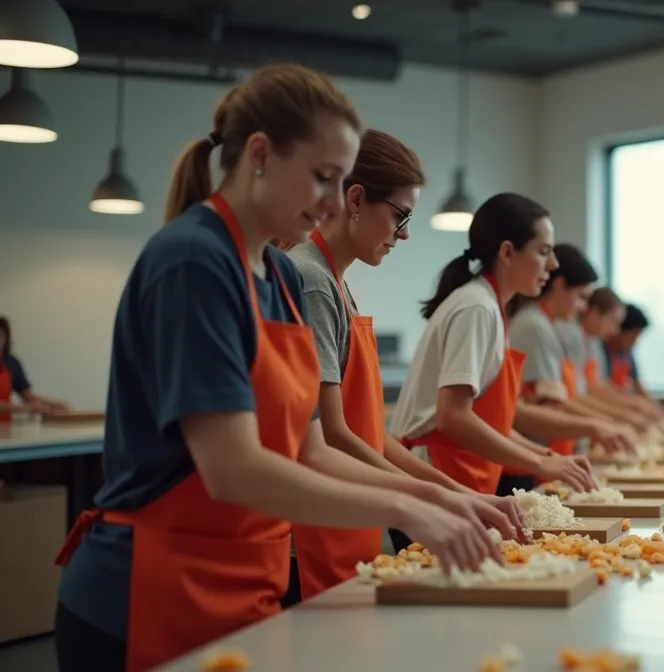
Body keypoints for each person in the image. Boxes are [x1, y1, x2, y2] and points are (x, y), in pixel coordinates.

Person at [51, 65, 505, 672]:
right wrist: (406, 509)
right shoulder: (193, 260)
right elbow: (232, 470)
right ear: (260, 154)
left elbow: (310, 450)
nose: (335, 202)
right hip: (147, 595)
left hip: (244, 584)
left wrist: (437, 498)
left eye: (342, 182)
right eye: (322, 177)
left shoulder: (283, 276)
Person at [282, 130, 528, 603]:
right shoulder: (310, 278)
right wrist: (429, 498)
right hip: (316, 527)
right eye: (401, 216)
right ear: (356, 200)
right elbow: (333, 434)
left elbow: (371, 436)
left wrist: (456, 492)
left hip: (352, 515)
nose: (405, 233)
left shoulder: (335, 282)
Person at [390, 193, 598, 497]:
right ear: (508, 252)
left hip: (460, 477)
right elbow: (452, 416)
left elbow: (493, 423)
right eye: (543, 252)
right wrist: (539, 462)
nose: (553, 264)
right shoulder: (476, 307)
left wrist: (548, 457)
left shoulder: (489, 305)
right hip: (433, 478)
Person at [498, 244, 635, 494]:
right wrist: (599, 424)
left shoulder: (547, 326)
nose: (583, 307)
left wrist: (608, 421)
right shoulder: (533, 326)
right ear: (559, 285)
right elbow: (541, 405)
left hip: (543, 455)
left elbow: (559, 397)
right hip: (526, 460)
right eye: (581, 297)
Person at [562, 288, 660, 426]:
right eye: (612, 321)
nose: (614, 330)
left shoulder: (592, 343)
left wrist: (634, 408)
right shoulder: (570, 336)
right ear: (594, 313)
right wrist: (621, 415)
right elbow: (577, 394)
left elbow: (597, 386)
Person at [0, 316, 71, 420]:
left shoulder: (11, 363)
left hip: (5, 427)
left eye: (1, 336)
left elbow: (27, 395)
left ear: (6, 339)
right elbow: (25, 406)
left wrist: (53, 404)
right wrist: (23, 408)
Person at [603, 303, 653, 399]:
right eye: (634, 336)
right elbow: (602, 388)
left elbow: (638, 385)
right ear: (620, 330)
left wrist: (654, 405)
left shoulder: (628, 353)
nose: (635, 342)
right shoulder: (601, 350)